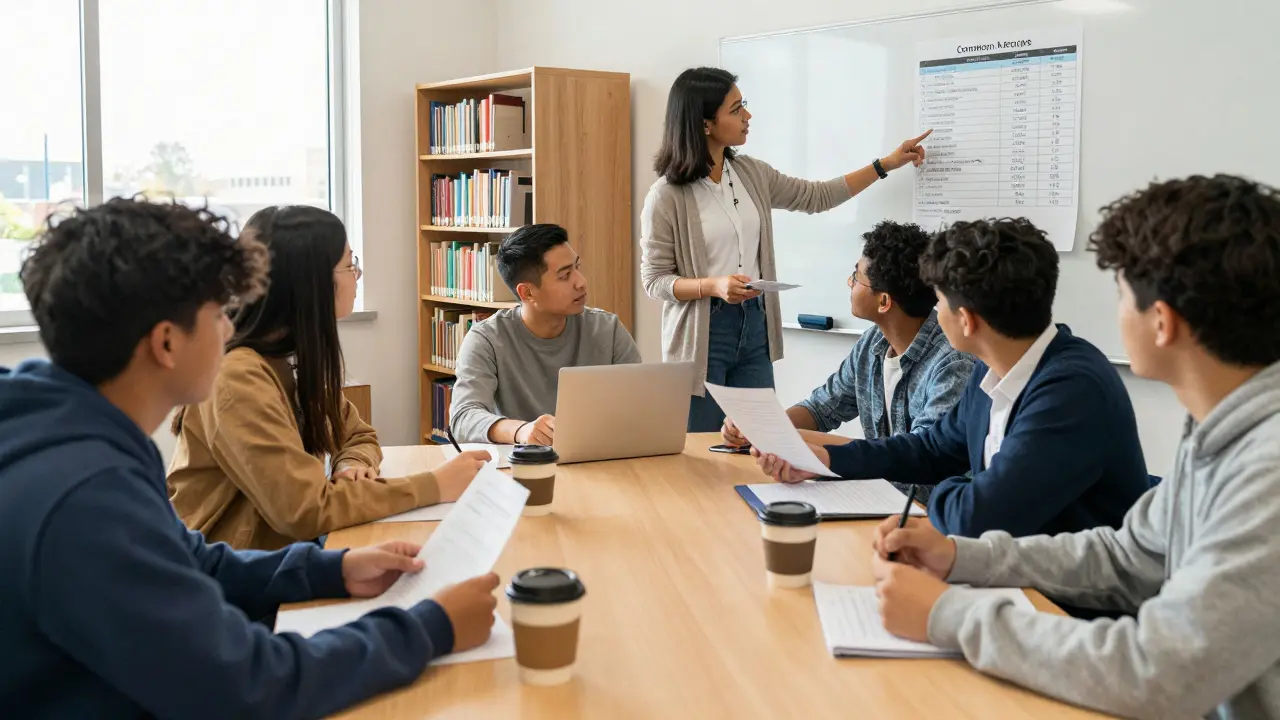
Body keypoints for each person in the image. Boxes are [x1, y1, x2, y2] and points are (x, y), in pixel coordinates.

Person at [0, 198, 500, 719]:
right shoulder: (85, 495)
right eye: (219, 312)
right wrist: (429, 627)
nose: (230, 326)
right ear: (167, 342)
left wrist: (330, 569)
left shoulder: (76, 432)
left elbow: (191, 559)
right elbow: (246, 684)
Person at [869, 175, 1280, 719]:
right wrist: (961, 557)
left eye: (1121, 295)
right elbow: (1129, 556)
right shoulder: (1221, 429)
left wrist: (949, 615)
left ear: (1162, 322)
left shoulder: (1267, 467)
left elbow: (1158, 671)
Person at [755, 218, 1149, 540]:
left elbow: (980, 514)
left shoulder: (1070, 389)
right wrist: (825, 459)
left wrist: (937, 493)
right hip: (1001, 569)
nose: (933, 309)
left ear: (967, 321)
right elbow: (932, 449)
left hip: (1061, 604)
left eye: (939, 300)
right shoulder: (994, 367)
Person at [168, 206, 488, 551]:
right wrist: (434, 485)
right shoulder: (238, 376)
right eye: (350, 265)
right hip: (231, 578)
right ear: (312, 282)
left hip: (281, 556)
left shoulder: (288, 357)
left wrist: (352, 464)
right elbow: (303, 510)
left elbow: (357, 434)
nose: (358, 275)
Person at [640, 66, 932, 432]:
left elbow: (817, 196)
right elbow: (654, 281)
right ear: (704, 125)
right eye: (735, 109)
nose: (747, 116)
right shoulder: (666, 196)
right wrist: (712, 285)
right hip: (704, 331)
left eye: (743, 104)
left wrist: (885, 164)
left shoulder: (751, 174)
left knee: (756, 437)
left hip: (754, 322)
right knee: (700, 447)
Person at [722, 220, 973, 501]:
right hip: (877, 496)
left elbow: (920, 456)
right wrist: (763, 428)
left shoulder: (953, 364)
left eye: (856, 277)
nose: (849, 282)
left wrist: (800, 447)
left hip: (928, 513)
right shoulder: (871, 344)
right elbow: (822, 408)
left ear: (884, 301)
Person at [450, 223, 641, 444]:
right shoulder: (487, 339)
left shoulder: (607, 329)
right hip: (520, 465)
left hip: (597, 459)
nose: (581, 282)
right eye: (565, 275)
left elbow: (639, 403)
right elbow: (463, 418)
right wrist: (521, 431)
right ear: (527, 292)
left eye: (577, 268)